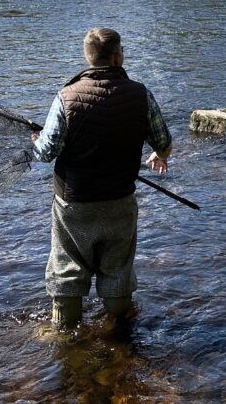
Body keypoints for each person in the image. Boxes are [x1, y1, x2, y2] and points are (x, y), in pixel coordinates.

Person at [31, 28, 172, 329]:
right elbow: (163, 142)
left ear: (88, 58)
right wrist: (158, 156)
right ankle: (120, 331)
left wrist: (37, 140)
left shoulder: (66, 97)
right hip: (120, 199)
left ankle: (65, 339)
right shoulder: (141, 94)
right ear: (118, 56)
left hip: (74, 203)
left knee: (68, 270)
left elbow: (46, 152)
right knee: (118, 270)